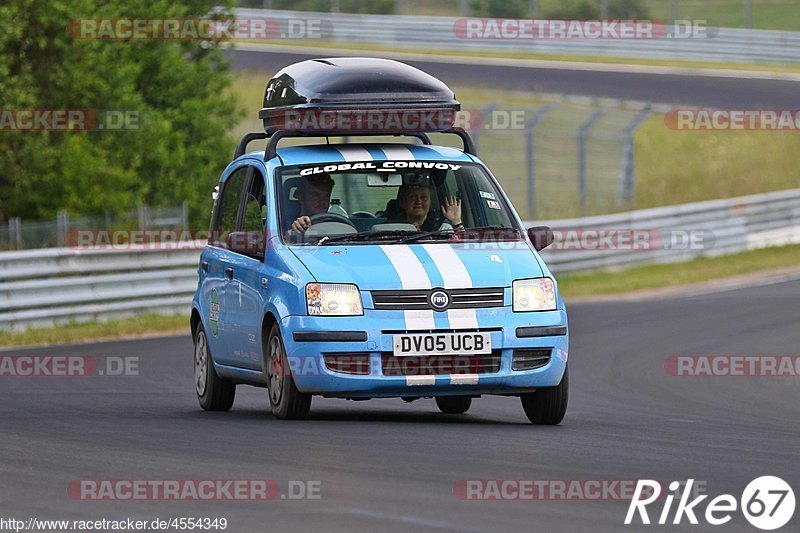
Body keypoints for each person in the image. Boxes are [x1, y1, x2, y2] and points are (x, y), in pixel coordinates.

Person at [395, 182, 462, 232]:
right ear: (402, 202)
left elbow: (463, 247)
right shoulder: (389, 229)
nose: (418, 201)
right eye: (412, 197)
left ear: (431, 202)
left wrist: (456, 222)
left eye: (424, 197)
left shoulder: (443, 229)